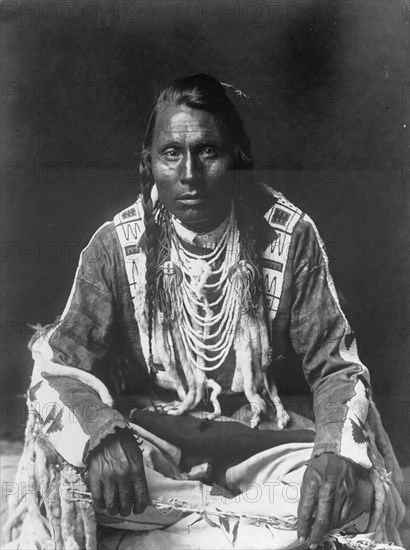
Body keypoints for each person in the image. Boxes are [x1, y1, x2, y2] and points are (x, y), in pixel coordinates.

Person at [4, 74, 405, 550]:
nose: (189, 173)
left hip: (270, 447)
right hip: (151, 448)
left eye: (208, 152)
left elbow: (337, 367)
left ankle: (170, 536)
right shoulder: (115, 246)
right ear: (149, 162)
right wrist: (101, 436)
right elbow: (59, 366)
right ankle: (245, 536)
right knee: (68, 492)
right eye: (171, 153)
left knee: (350, 498)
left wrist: (333, 453)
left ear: (236, 157)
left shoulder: (290, 236)